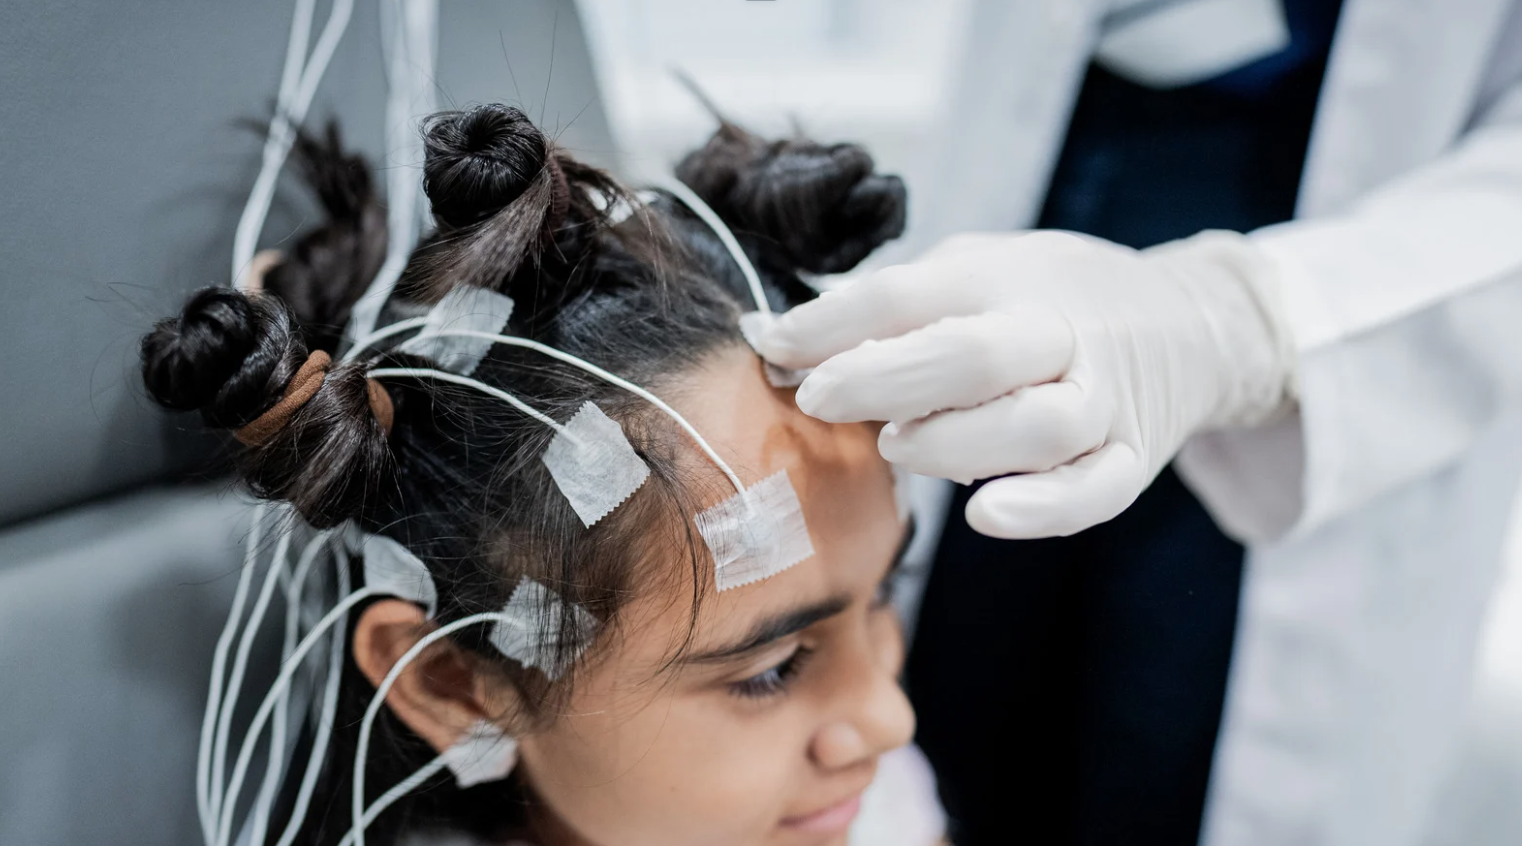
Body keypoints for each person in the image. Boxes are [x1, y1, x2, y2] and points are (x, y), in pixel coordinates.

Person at [746, 1, 1522, 845]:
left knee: (1158, 751)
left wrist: (1244, 321)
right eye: (763, 670)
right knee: (962, 703)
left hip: (1352, 238)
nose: (878, 725)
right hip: (1050, 155)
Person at [140, 106, 945, 846]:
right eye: (770, 670)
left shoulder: (877, 810)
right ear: (455, 686)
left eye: (884, 593)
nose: (889, 716)